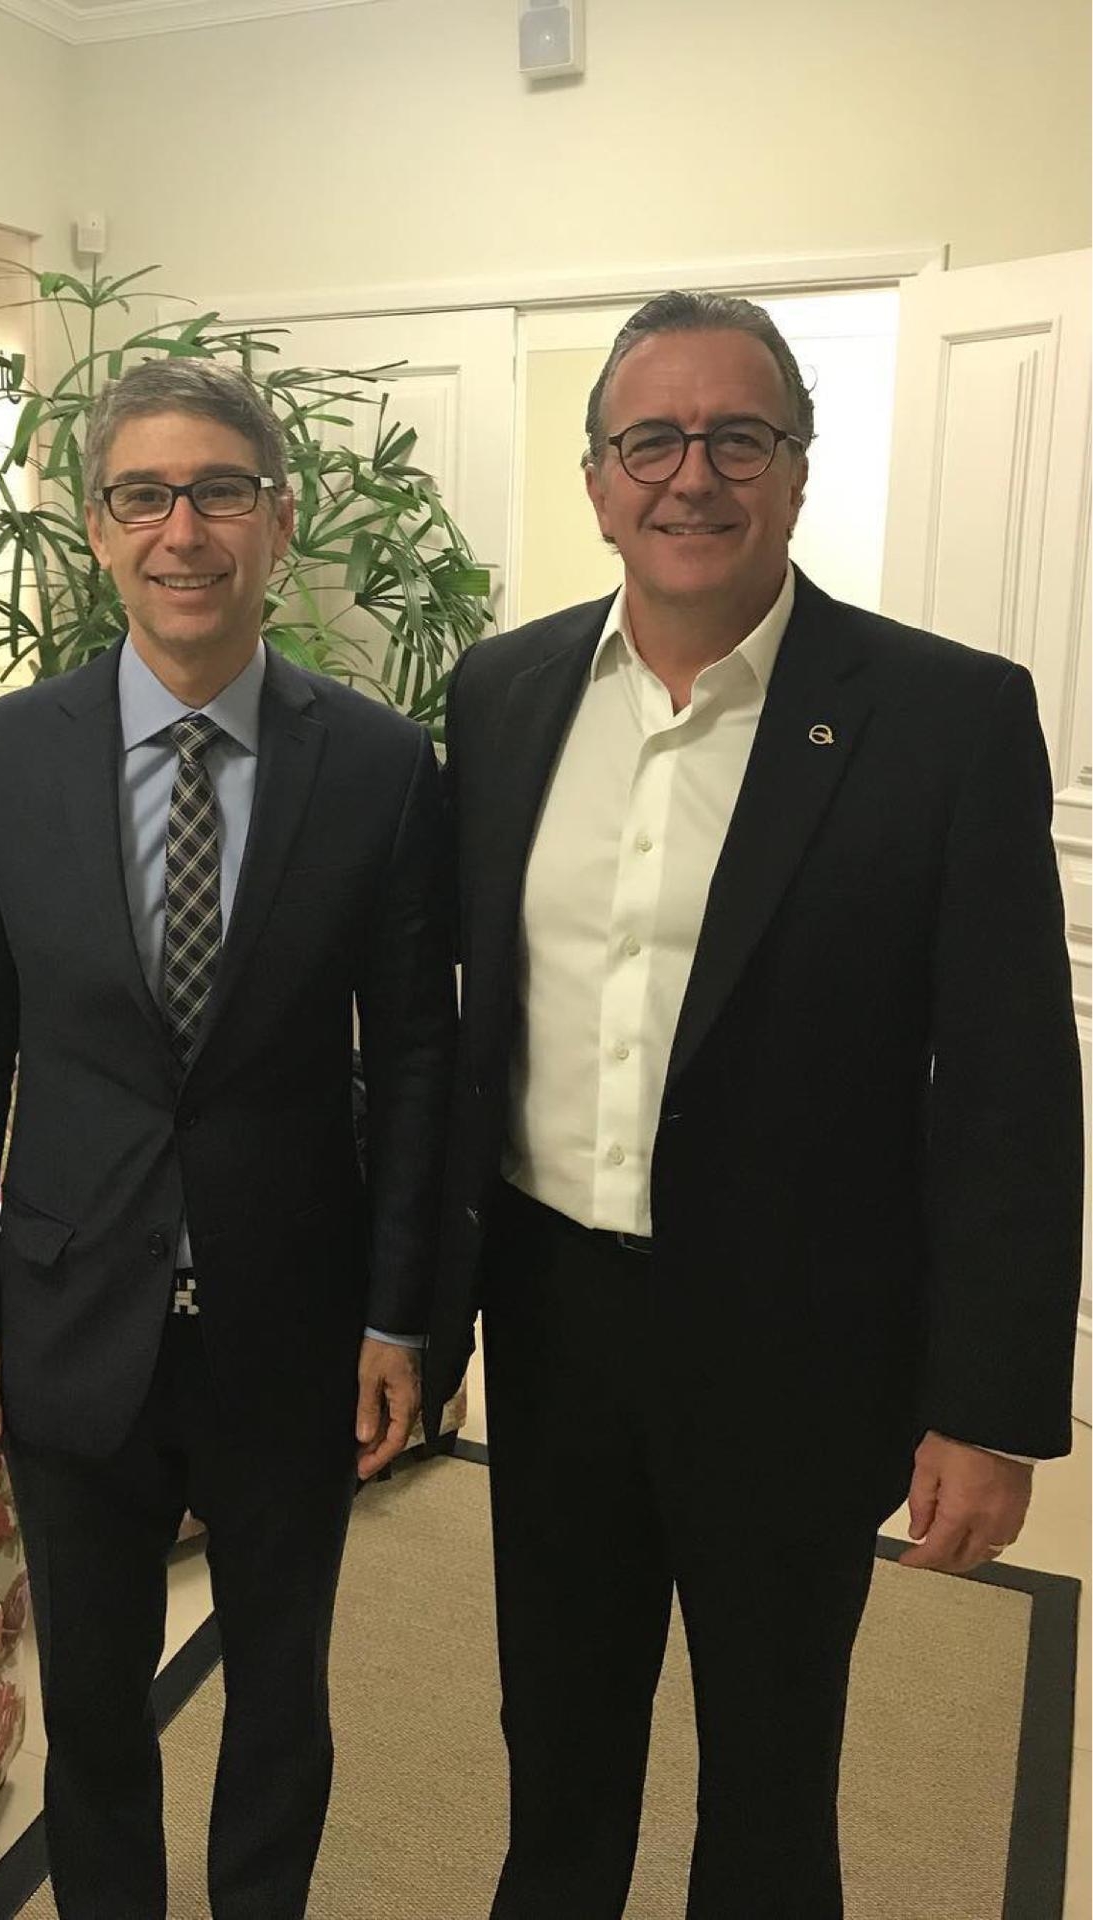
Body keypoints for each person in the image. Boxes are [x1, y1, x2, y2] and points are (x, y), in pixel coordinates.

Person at [422, 291, 1083, 1918]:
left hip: (799, 1348)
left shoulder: (943, 716)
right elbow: (456, 1033)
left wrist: (987, 1407)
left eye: (738, 437)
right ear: (596, 480)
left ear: (795, 469)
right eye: (650, 440)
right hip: (552, 1324)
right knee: (555, 1741)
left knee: (772, 1777)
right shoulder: (500, 697)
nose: (691, 476)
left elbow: (1008, 1084)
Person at [0, 359, 455, 1919]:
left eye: (220, 490)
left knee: (279, 1694)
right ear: (98, 528)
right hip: (69, 1314)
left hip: (292, 1323)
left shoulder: (377, 765)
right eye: (142, 495)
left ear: (277, 519)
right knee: (92, 1704)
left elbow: (418, 1061)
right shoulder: (0, 760)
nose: (182, 530)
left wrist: (398, 1316)